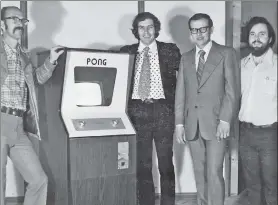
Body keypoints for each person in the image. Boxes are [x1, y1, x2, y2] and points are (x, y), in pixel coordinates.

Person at [0, 6, 64, 205]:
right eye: (14, 19)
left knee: (38, 180)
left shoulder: (24, 55)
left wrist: (51, 61)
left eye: (22, 20)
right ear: (2, 24)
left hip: (19, 125)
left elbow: (37, 79)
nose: (20, 23)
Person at [174, 13, 240, 205]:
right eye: (194, 30)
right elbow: (181, 94)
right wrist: (179, 123)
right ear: (190, 33)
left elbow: (231, 91)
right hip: (192, 124)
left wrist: (225, 120)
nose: (199, 34)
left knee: (214, 172)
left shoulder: (226, 53)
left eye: (203, 29)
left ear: (210, 29)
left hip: (217, 123)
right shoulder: (185, 58)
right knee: (199, 172)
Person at [120, 12, 181, 205]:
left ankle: (168, 202)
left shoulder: (170, 50)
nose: (146, 32)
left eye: (150, 27)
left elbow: (183, 81)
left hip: (163, 111)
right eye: (141, 27)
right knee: (142, 164)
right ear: (136, 31)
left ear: (156, 29)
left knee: (165, 162)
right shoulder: (126, 52)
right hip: (137, 113)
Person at [237, 16, 277, 205]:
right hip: (245, 134)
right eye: (253, 34)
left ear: (270, 38)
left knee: (272, 183)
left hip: (270, 134)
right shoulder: (241, 65)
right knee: (251, 184)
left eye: (262, 34)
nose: (256, 38)